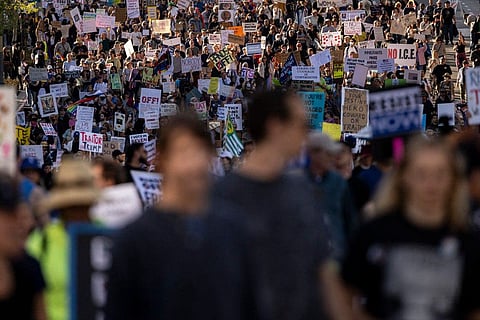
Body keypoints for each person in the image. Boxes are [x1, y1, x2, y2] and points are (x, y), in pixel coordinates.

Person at [106, 115, 252, 320]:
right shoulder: (133, 240)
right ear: (162, 159)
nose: (194, 163)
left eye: (200, 151)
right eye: (184, 152)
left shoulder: (234, 231)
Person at [212, 89, 333, 320]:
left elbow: (322, 271)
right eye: (301, 124)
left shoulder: (303, 192)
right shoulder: (221, 198)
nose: (306, 134)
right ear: (276, 126)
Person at [336, 137, 480, 319]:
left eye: (440, 174)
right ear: (404, 177)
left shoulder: (468, 242)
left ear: (453, 180)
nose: (431, 185)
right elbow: (345, 293)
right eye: (421, 174)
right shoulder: (373, 233)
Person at [27, 158, 99, 320]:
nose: (77, 212)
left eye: (82, 205)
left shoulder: (108, 237)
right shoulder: (41, 241)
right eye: (71, 206)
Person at [305, 132, 357, 260]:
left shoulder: (338, 182)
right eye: (328, 154)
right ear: (313, 154)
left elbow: (349, 218)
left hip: (336, 253)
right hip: (306, 254)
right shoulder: (298, 182)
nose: (332, 158)